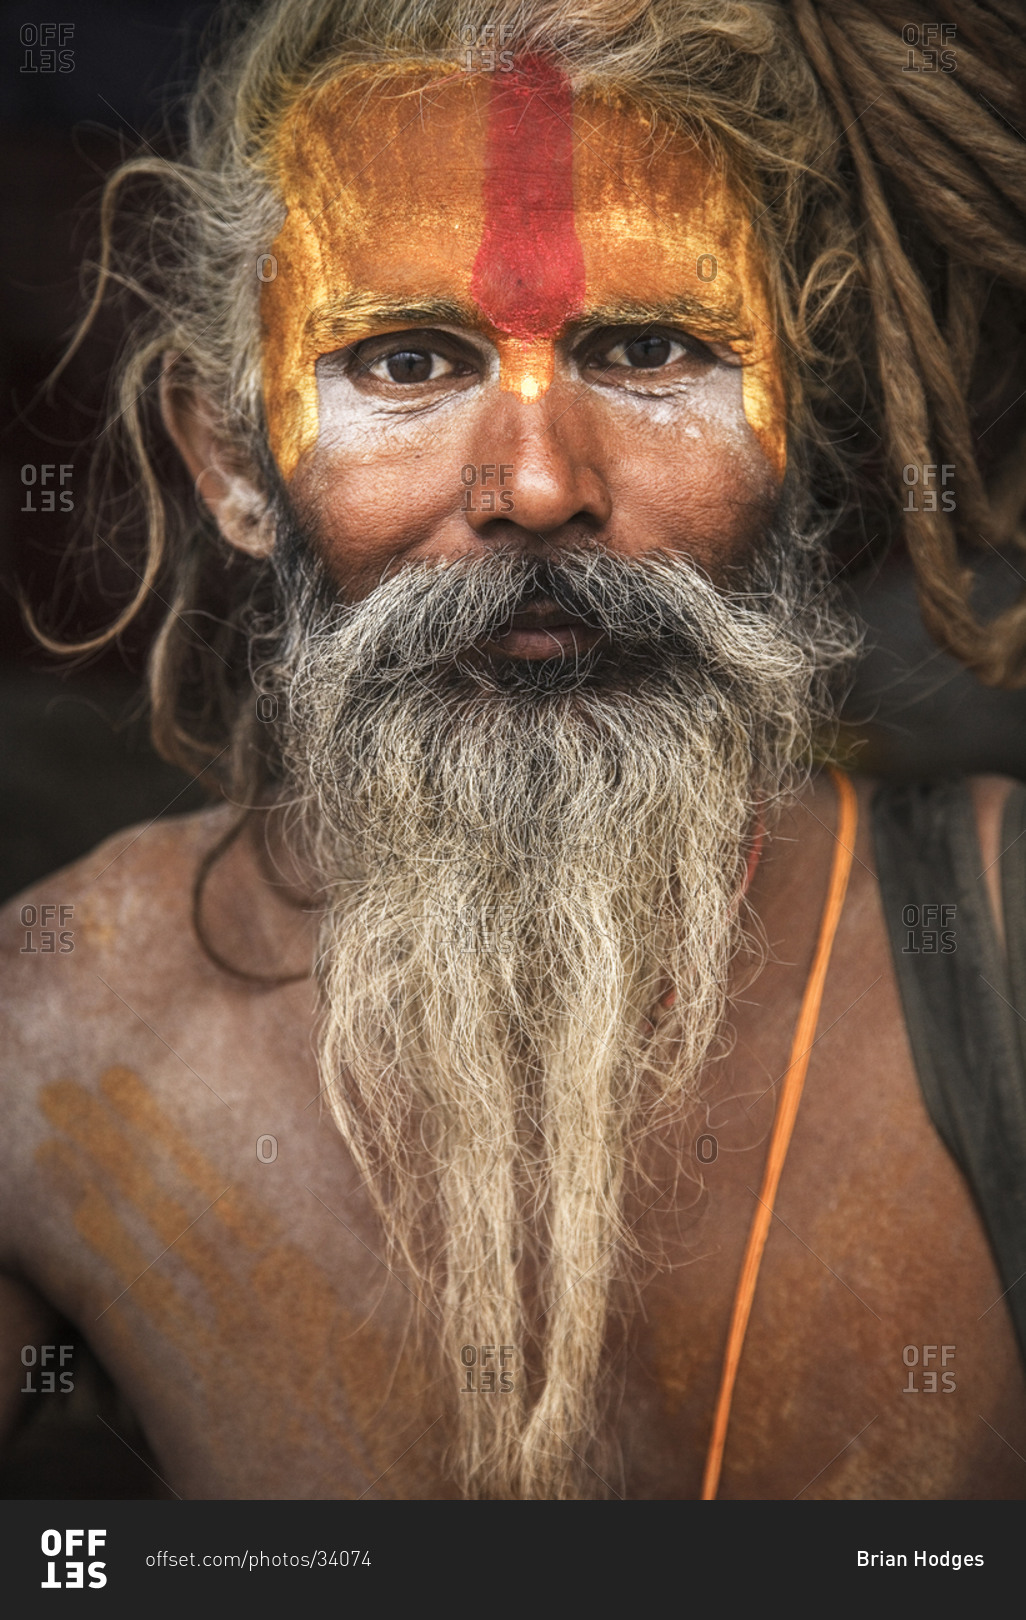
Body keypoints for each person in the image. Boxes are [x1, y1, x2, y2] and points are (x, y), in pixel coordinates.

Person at [2, 0, 1026, 1501]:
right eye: (407, 362)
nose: (538, 484)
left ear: (794, 423)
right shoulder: (65, 1028)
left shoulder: (996, 956)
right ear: (229, 461)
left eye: (648, 348)